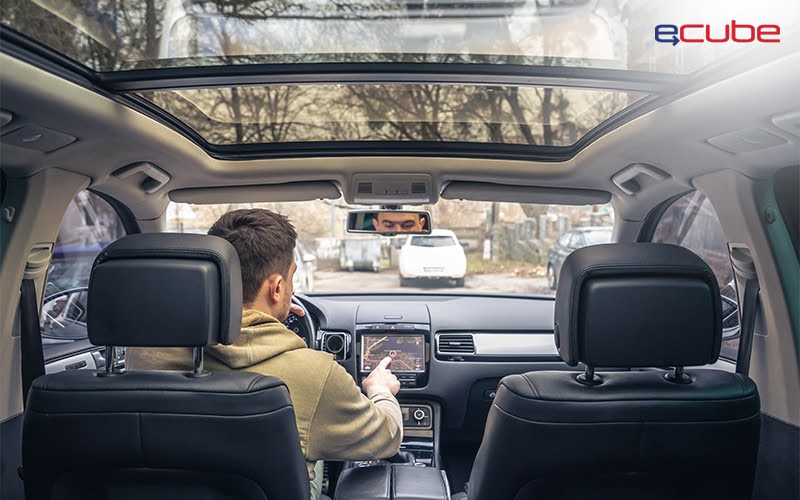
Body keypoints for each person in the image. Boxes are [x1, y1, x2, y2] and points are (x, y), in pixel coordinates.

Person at [126, 209, 402, 500]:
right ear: (278, 287)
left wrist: (265, 317)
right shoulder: (315, 374)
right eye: (291, 279)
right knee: (312, 443)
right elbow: (386, 437)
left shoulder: (143, 351)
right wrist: (380, 390)